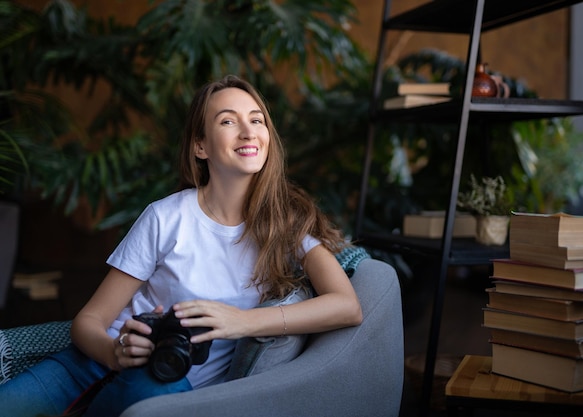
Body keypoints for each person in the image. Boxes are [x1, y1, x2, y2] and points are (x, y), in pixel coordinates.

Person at [0, 74, 362, 416]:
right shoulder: (166, 217)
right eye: (227, 121)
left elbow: (347, 306)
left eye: (257, 120)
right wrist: (114, 351)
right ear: (200, 146)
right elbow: (89, 321)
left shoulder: (289, 225)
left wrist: (242, 322)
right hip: (87, 367)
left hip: (164, 383)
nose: (248, 131)